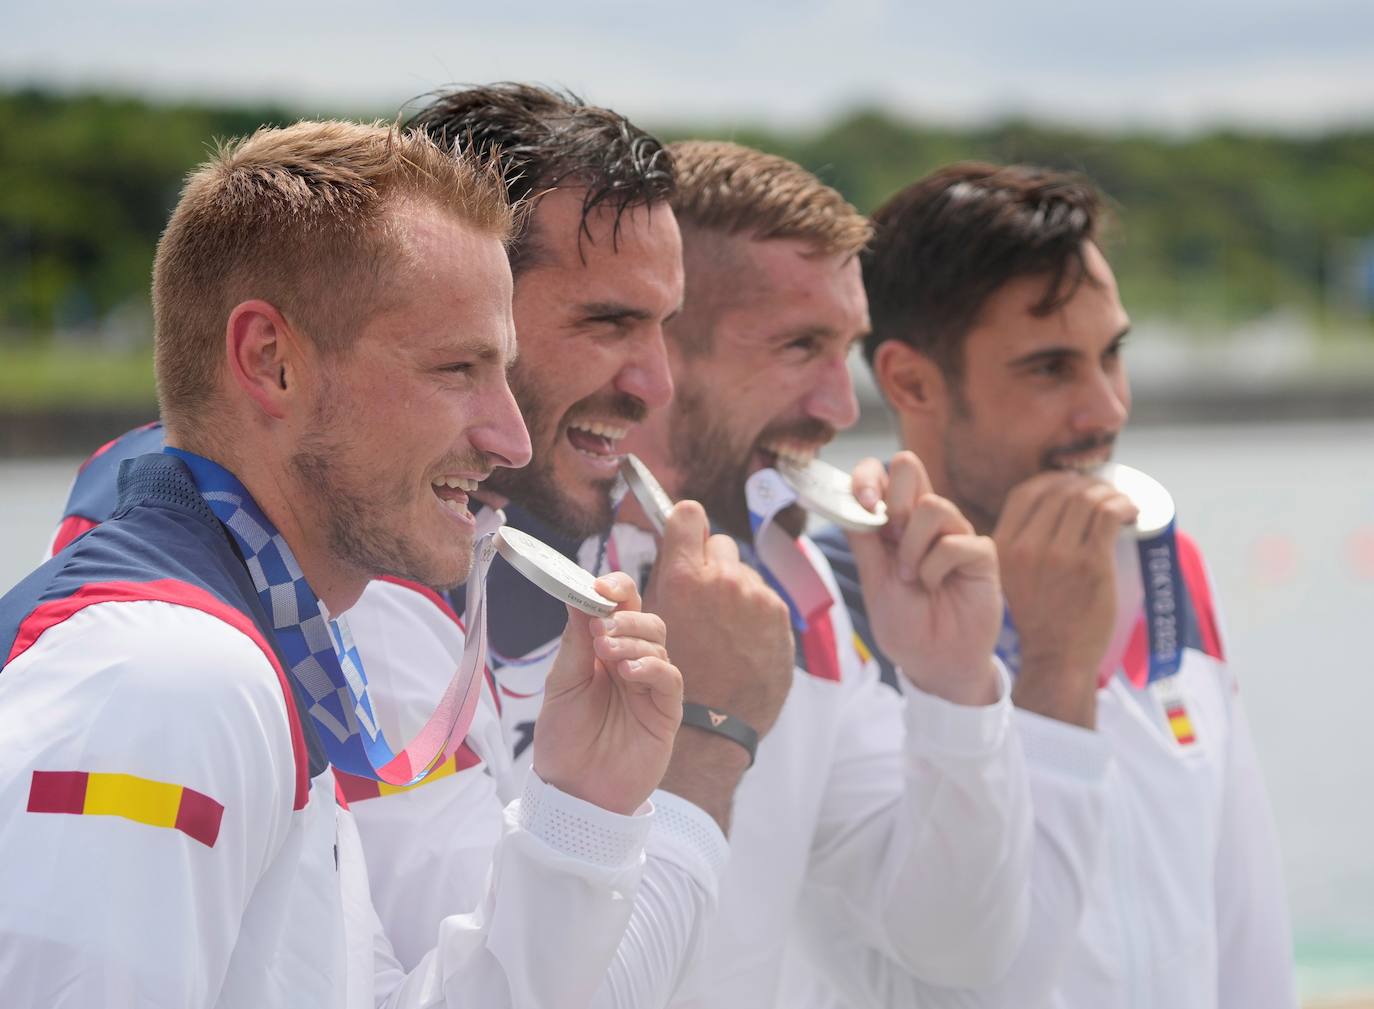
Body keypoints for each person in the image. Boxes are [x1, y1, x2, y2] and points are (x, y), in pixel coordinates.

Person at [44, 86, 798, 1008]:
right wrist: (706, 749)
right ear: (270, 361)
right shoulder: (169, 680)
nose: (509, 438)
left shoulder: (261, 647)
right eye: (458, 369)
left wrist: (581, 809)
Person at [809, 161, 1296, 1008]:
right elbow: (966, 979)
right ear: (910, 381)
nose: (1105, 409)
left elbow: (1246, 925)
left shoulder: (1163, 566)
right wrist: (1057, 678)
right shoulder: (831, 610)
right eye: (1050, 369)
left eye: (1112, 355)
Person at [605, 140, 1034, 1007]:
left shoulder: (798, 589)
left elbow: (957, 946)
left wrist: (953, 687)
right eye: (801, 346)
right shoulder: (501, 584)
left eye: (847, 350)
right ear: (657, 350)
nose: (842, 408)